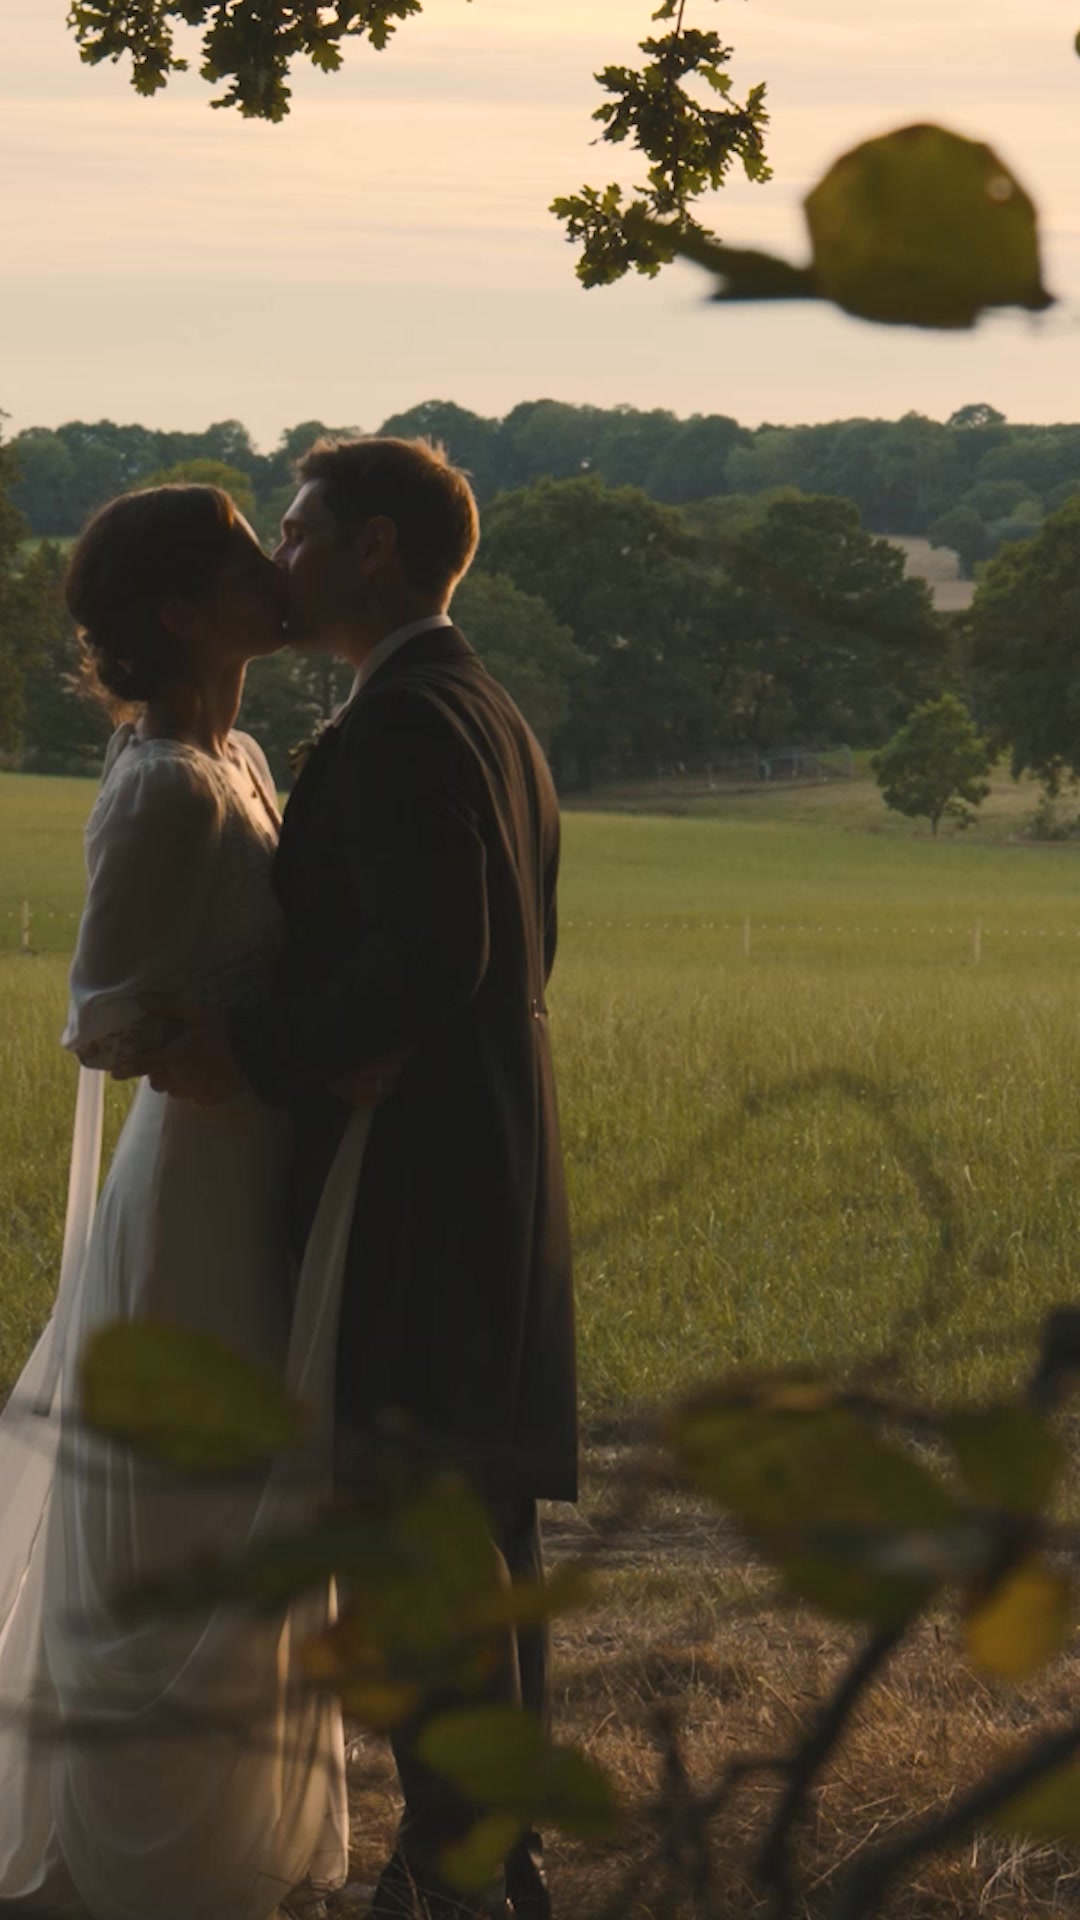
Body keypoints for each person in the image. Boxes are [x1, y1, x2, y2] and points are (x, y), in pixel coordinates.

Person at [145, 437, 578, 1920]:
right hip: (487, 1167)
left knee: (419, 1535)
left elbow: (430, 952)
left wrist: (276, 1050)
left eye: (299, 527)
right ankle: (469, 1855)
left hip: (414, 1185)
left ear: (375, 551)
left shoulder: (401, 727)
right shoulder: (481, 707)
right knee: (474, 1536)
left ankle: (464, 1874)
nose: (279, 554)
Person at [0, 485, 359, 1920]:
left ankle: (220, 1825)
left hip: (254, 1167)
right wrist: (227, 1060)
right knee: (177, 1505)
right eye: (241, 557)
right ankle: (131, 1847)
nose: (276, 569)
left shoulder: (244, 751)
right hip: (195, 1180)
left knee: (243, 1499)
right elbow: (97, 1017)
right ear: (180, 609)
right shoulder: (157, 785)